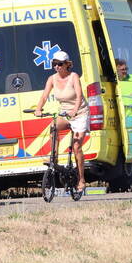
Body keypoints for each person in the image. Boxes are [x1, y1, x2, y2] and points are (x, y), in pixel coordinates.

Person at [34, 50, 87, 193]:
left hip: (79, 113)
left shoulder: (73, 77)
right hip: (65, 113)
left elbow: (79, 96)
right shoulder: (52, 79)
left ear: (67, 65)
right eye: (54, 64)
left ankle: (81, 179)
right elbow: (44, 96)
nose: (56, 67)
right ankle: (54, 160)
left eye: (59, 64)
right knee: (53, 127)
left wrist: (75, 110)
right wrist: (38, 109)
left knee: (76, 146)